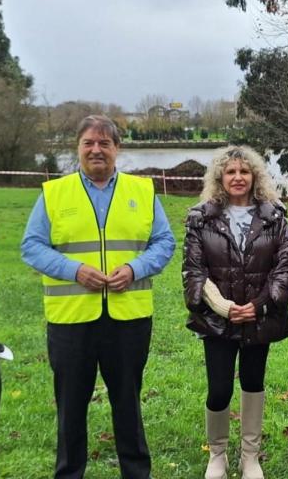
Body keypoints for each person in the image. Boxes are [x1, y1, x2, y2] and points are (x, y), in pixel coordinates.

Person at [21, 115, 175, 479]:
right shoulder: (54, 193)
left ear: (117, 149)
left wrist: (135, 269)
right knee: (70, 409)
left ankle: (136, 473)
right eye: (89, 143)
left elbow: (165, 242)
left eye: (104, 143)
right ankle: (69, 473)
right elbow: (31, 246)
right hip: (71, 319)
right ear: (78, 148)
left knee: (128, 404)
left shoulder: (142, 191)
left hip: (129, 318)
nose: (96, 150)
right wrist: (73, 270)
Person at [182, 145, 288, 479]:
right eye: (230, 172)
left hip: (258, 321)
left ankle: (250, 457)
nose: (237, 178)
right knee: (219, 388)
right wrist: (222, 307)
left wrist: (259, 306)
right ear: (220, 176)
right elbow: (194, 271)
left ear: (254, 176)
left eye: (244, 172)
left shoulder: (274, 216)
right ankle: (217, 455)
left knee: (252, 382)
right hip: (217, 320)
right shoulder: (201, 218)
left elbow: (285, 269)